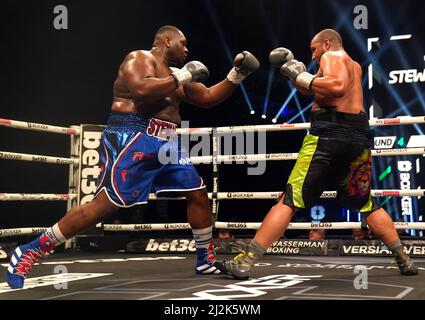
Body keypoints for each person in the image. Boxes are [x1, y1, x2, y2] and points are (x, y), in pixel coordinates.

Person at [6, 25, 260, 288]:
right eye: (182, 44)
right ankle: (32, 249)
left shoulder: (175, 76)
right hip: (132, 135)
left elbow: (207, 97)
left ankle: (204, 258)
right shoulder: (139, 58)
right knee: (103, 206)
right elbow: (141, 90)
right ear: (167, 40)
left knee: (197, 192)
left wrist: (236, 74)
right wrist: (183, 76)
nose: (187, 50)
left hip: (167, 142)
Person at [216, 28, 418, 279]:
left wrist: (302, 77)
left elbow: (336, 87)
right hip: (357, 137)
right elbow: (320, 92)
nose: (312, 56)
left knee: (290, 199)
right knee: (364, 202)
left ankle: (245, 262)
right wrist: (294, 74)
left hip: (328, 135)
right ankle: (405, 259)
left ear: (326, 44)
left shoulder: (332, 56)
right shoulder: (353, 65)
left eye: (313, 49)